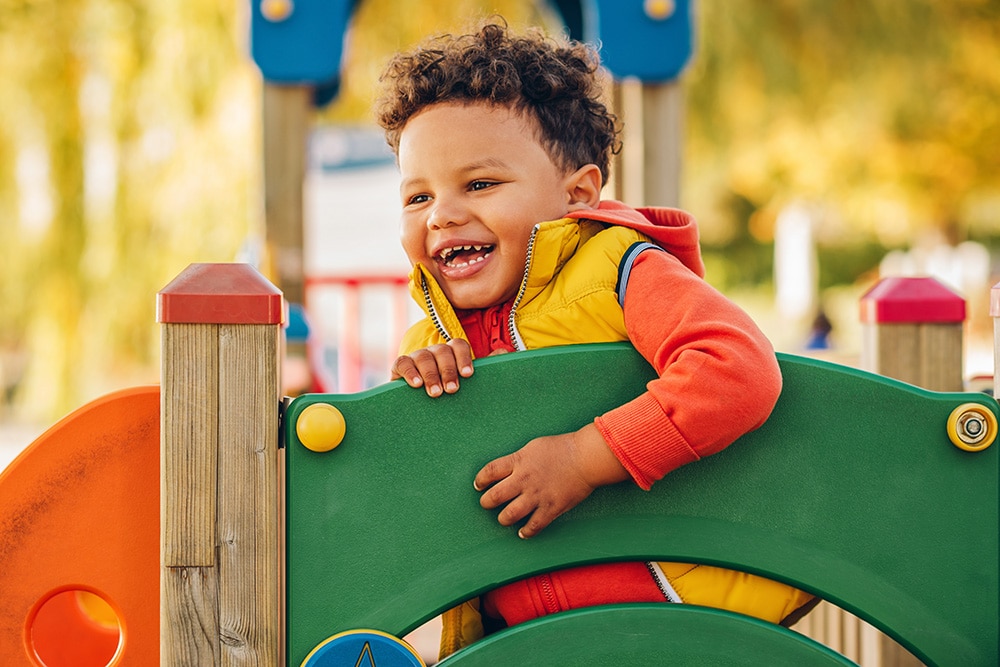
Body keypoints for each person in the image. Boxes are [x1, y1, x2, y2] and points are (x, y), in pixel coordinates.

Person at [375, 20, 815, 659]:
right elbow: (413, 497)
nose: (441, 214)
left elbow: (736, 366)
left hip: (679, 621)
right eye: (418, 197)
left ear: (577, 192)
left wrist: (584, 458)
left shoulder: (618, 269)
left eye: (479, 184)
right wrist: (409, 406)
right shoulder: (431, 335)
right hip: (526, 643)